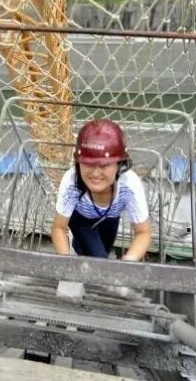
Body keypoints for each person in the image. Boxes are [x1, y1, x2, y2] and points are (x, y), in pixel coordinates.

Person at [52, 118, 151, 298]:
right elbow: (59, 227)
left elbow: (143, 233)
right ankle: (79, 261)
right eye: (88, 164)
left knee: (103, 253)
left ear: (119, 164)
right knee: (98, 259)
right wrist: (68, 268)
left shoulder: (129, 184)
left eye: (104, 165)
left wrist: (126, 264)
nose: (95, 173)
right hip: (80, 217)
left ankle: (90, 266)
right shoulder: (72, 181)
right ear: (78, 162)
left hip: (111, 217)